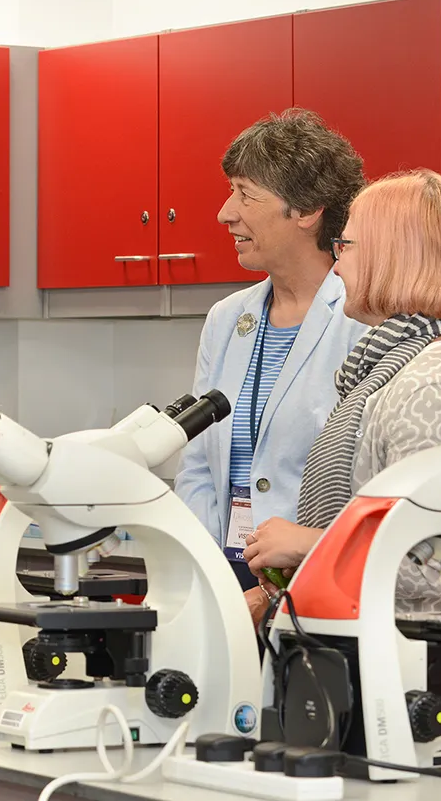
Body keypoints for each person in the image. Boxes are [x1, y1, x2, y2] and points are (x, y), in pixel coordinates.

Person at [243, 169, 441, 699]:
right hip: (378, 652)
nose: (336, 261)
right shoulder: (395, 364)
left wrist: (306, 545)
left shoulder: (437, 383)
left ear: (395, 255)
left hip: (425, 669)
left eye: (345, 244)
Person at [174, 109, 368, 618]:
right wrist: (214, 574)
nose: (224, 213)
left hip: (318, 580)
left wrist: (274, 590)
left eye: (244, 193)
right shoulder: (226, 319)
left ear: (305, 211)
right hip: (227, 575)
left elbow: (367, 487)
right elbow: (195, 462)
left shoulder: (363, 320)